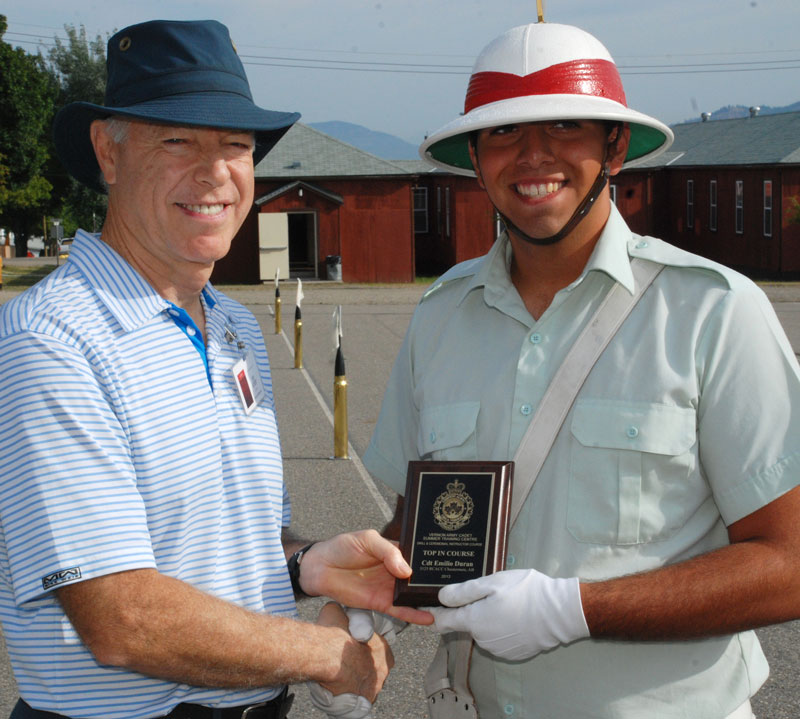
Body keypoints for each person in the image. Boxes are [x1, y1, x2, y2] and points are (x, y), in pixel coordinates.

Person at [363, 21, 800, 719]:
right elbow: (425, 520)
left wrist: (575, 609)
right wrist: (362, 611)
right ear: (475, 157)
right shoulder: (440, 316)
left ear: (616, 147)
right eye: (503, 133)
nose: (533, 155)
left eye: (567, 125)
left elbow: (790, 561)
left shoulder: (711, 311)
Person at [0, 19, 429, 719]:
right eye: (178, 140)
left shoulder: (233, 326)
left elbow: (232, 537)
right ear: (108, 152)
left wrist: (306, 561)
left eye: (235, 145)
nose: (214, 172)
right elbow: (121, 617)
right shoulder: (53, 339)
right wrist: (327, 656)